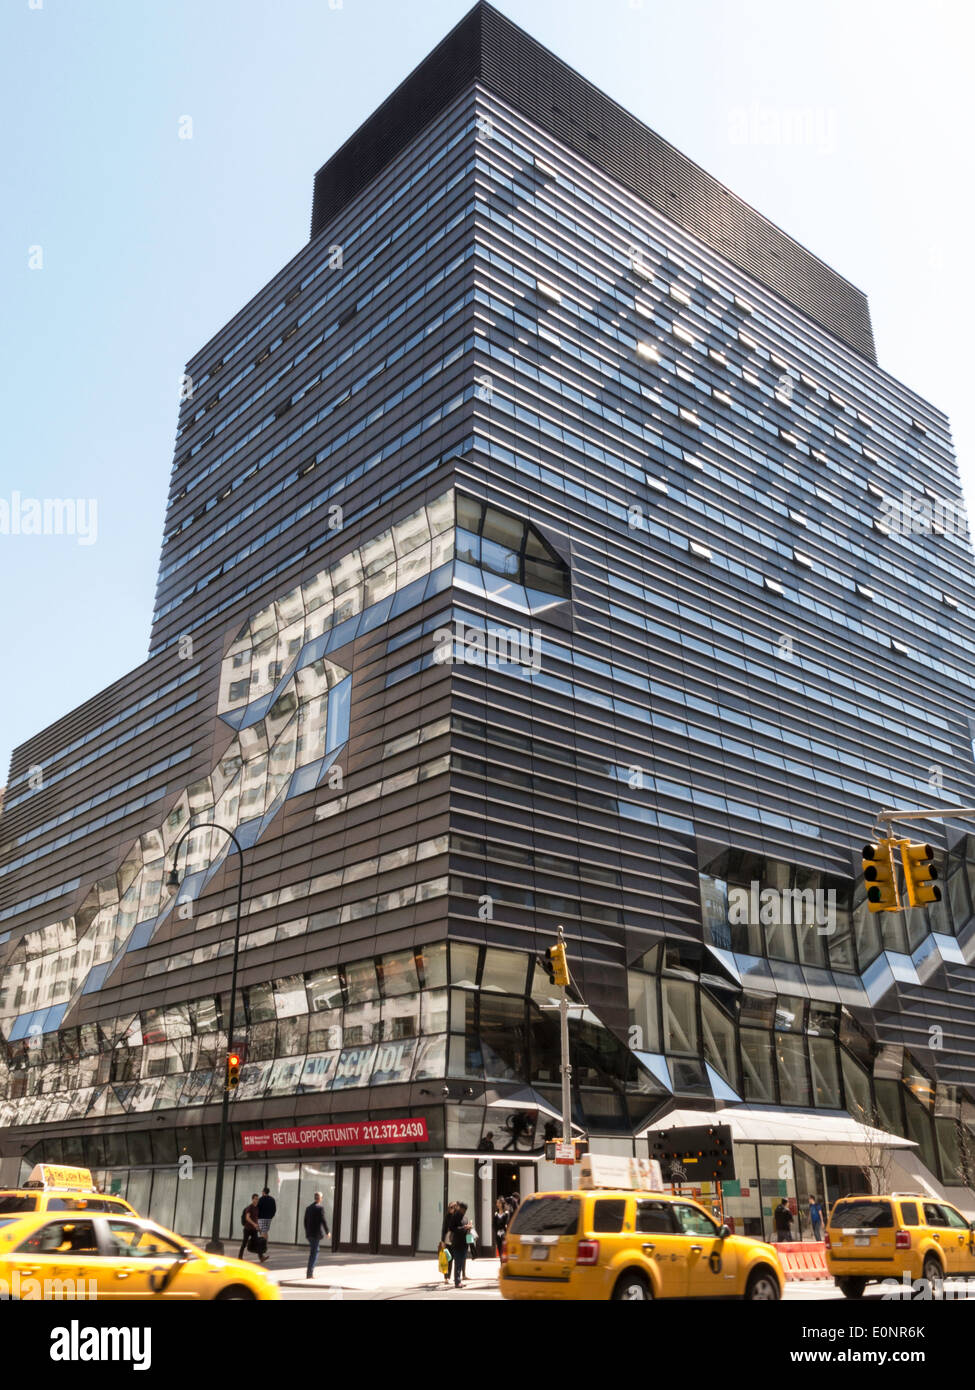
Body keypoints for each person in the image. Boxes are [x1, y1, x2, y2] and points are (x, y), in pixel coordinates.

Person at [304, 1191, 330, 1279]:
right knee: (314, 1253)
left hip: (309, 1234)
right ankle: (309, 1273)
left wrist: (307, 1231)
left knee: (315, 1250)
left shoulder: (308, 1208)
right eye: (321, 1197)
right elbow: (323, 1220)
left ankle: (309, 1272)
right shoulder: (320, 1208)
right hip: (315, 1234)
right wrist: (327, 1232)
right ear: (320, 1199)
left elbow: (305, 1221)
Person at [446, 1200, 472, 1288]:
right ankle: (457, 1282)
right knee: (457, 1262)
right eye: (462, 1209)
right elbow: (451, 1228)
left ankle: (458, 1280)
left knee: (461, 1263)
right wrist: (464, 1227)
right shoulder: (455, 1216)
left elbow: (466, 1229)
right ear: (460, 1208)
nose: (463, 1211)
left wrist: (469, 1227)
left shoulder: (465, 1218)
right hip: (456, 1243)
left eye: (465, 1210)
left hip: (464, 1243)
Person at [239, 1193, 262, 1261]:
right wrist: (254, 1224)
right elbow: (247, 1218)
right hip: (247, 1229)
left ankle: (261, 1257)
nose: (257, 1200)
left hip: (254, 1230)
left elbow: (256, 1218)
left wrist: (258, 1227)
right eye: (255, 1199)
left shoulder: (257, 1208)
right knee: (244, 1243)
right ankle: (240, 1257)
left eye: (258, 1199)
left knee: (257, 1243)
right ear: (252, 1199)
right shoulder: (250, 1207)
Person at [439, 1201, 457, 1286]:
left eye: (452, 1207)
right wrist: (442, 1241)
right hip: (447, 1240)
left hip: (454, 1241)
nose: (451, 1209)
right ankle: (446, 1277)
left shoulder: (457, 1217)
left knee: (452, 1259)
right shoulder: (447, 1217)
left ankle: (449, 1277)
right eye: (450, 1207)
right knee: (447, 1259)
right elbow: (443, 1229)